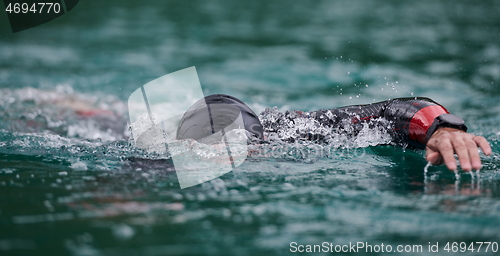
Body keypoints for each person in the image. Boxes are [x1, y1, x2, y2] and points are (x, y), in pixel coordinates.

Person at [176, 94, 492, 172]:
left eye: (240, 151)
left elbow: (391, 111)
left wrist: (443, 128)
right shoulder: (158, 161)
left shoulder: (292, 133)